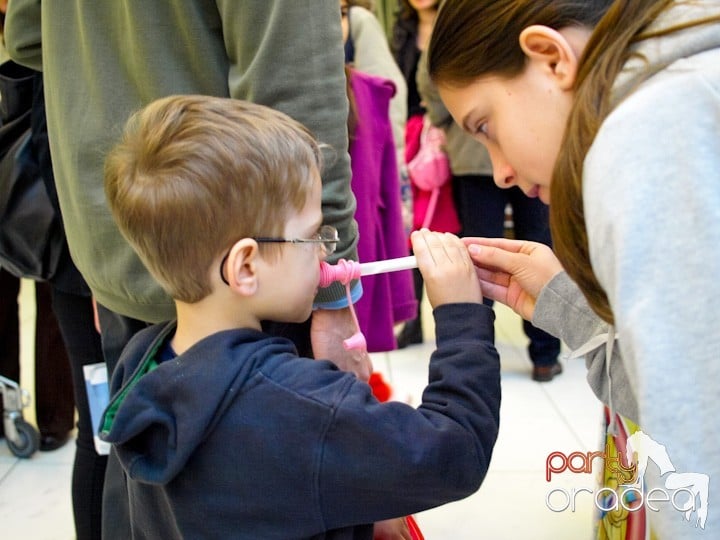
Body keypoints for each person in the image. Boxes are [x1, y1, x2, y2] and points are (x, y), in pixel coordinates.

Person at [4, 2, 368, 536]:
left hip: (119, 250)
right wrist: (331, 286)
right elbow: (297, 84)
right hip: (259, 270)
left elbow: (28, 37)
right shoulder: (277, 258)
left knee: (125, 475)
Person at [99, 94, 501, 539]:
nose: (327, 250)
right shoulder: (303, 406)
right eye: (312, 237)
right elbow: (456, 453)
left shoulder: (141, 362)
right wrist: (463, 318)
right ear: (246, 267)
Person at [427, 0, 720, 536]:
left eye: (487, 125)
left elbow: (698, 453)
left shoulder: (648, 133)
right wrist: (574, 314)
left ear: (551, 58)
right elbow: (674, 387)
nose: (502, 173)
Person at [416, 49, 563, 382]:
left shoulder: (452, 22)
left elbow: (430, 79)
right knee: (527, 245)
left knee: (482, 255)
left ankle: (477, 354)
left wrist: (462, 124)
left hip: (475, 156)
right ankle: (544, 355)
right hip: (522, 146)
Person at [390, 0, 461, 349]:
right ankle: (413, 321)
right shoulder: (401, 33)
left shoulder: (458, 20)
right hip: (411, 137)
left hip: (452, 138)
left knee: (449, 226)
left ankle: (456, 321)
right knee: (413, 229)